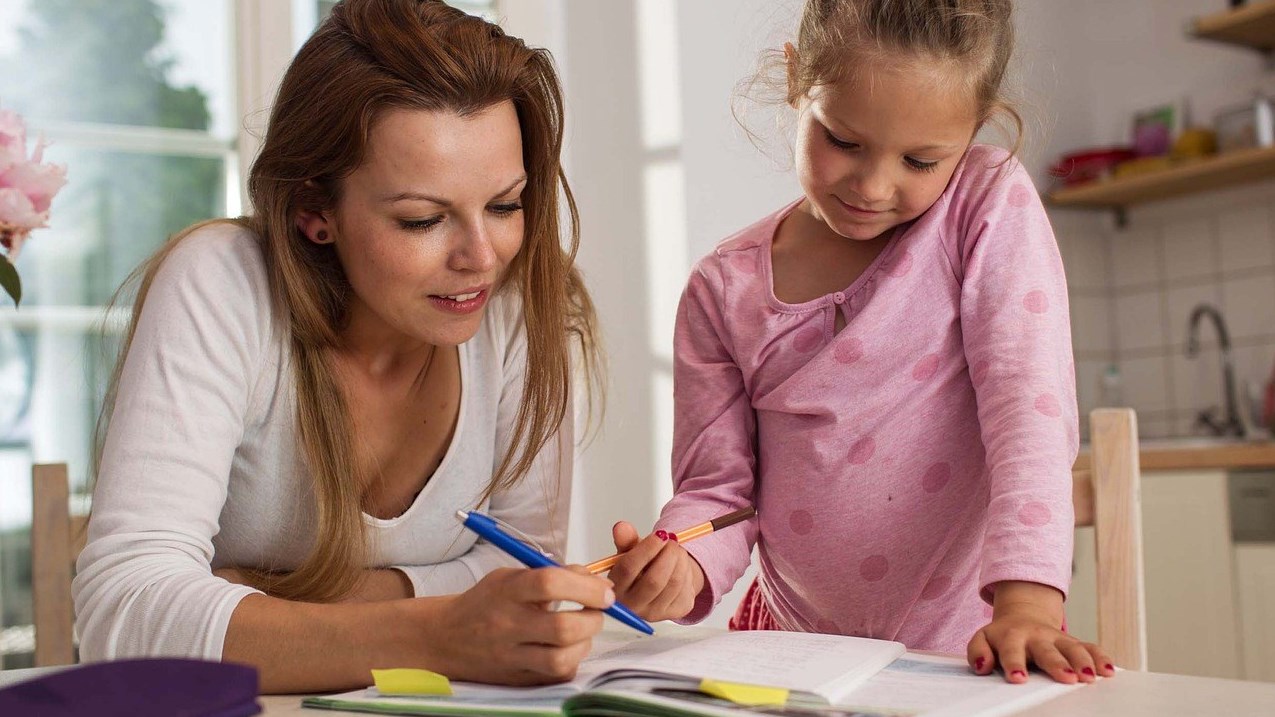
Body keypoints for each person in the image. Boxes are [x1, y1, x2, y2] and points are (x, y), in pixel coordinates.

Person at [73, 0, 611, 693]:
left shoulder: (516, 306)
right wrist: (437, 632)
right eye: (422, 219)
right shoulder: (223, 283)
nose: (482, 256)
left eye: (505, 205)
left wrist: (270, 601)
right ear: (313, 210)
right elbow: (122, 615)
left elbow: (525, 574)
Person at [605, 0, 1116, 686]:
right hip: (791, 657)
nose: (873, 186)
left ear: (976, 125)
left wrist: (1027, 602)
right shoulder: (721, 288)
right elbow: (717, 492)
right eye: (842, 140)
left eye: (920, 159)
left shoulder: (983, 204)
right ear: (795, 80)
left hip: (971, 653)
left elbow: (1027, 408)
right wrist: (681, 561)